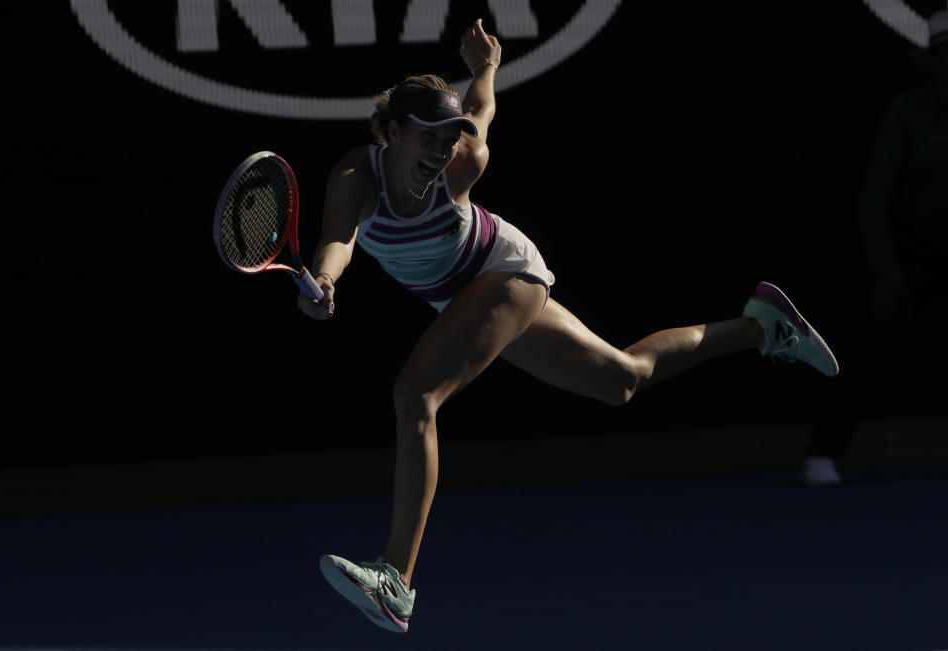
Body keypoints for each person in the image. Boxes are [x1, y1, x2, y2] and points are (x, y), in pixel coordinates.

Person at [304, 19, 839, 633]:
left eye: (448, 137)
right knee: (621, 380)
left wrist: (486, 71)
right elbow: (338, 239)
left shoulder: (462, 162)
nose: (440, 149)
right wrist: (326, 280)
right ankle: (761, 327)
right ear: (392, 132)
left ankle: (396, 578)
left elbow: (479, 113)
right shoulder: (353, 178)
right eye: (427, 136)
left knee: (415, 396)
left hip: (503, 273)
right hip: (458, 295)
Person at [801, 8, 948, 488]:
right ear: (933, 62)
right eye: (944, 56)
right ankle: (822, 454)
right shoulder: (909, 111)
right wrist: (886, 268)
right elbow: (874, 199)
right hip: (910, 262)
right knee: (867, 353)